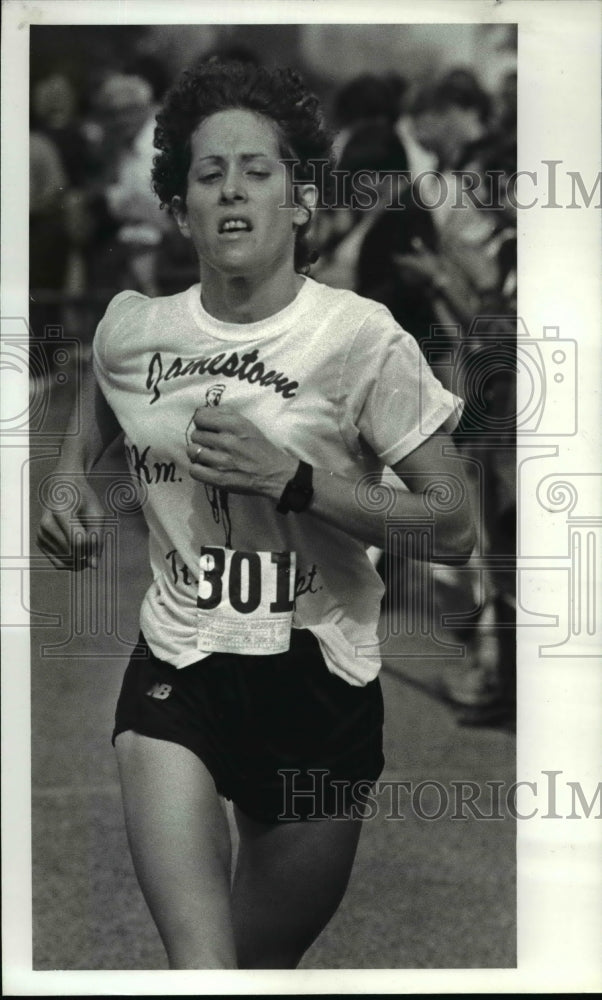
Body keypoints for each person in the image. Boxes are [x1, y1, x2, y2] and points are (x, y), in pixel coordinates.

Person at [37, 59, 475, 970]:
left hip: (318, 682)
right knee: (203, 969)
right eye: (208, 173)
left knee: (254, 971)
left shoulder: (359, 338)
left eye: (257, 170)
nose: (232, 187)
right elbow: (101, 380)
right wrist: (69, 478)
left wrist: (296, 481)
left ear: (302, 202)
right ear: (179, 208)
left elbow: (453, 525)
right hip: (180, 665)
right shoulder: (136, 326)